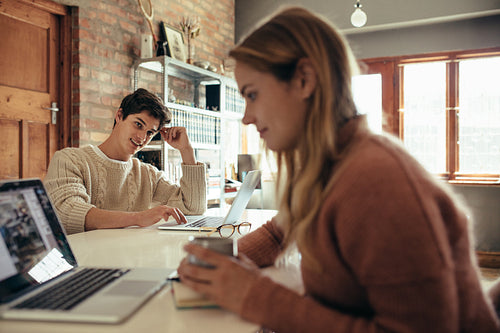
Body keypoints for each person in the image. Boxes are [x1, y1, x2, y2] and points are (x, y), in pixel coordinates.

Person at [177, 6, 500, 333]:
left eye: (252, 94)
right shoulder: (329, 168)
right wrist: (218, 266)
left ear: (304, 79)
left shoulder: (377, 181)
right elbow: (280, 230)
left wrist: (256, 296)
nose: (246, 117)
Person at [44, 88, 207, 234]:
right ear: (119, 116)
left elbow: (193, 208)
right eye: (138, 124)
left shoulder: (148, 174)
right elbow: (65, 214)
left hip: (129, 260)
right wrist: (137, 218)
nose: (142, 137)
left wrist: (186, 151)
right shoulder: (70, 160)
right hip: (83, 261)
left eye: (150, 132)